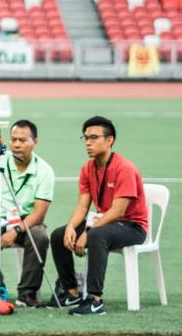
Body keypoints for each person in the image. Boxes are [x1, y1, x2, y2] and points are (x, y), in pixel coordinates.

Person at [49, 116, 148, 315]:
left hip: (131, 227)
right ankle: (71, 292)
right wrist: (71, 227)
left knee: (96, 235)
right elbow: (82, 206)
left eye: (94, 137)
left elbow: (118, 211)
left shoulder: (124, 168)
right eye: (85, 138)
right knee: (59, 235)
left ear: (109, 140)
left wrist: (88, 231)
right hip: (103, 222)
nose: (88, 142)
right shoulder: (87, 168)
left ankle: (95, 300)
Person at [0, 119, 54, 308]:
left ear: (34, 143)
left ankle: (27, 293)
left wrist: (15, 230)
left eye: (23, 140)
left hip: (26, 222)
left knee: (39, 236)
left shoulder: (44, 171)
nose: (16, 144)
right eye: (13, 139)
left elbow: (38, 214)